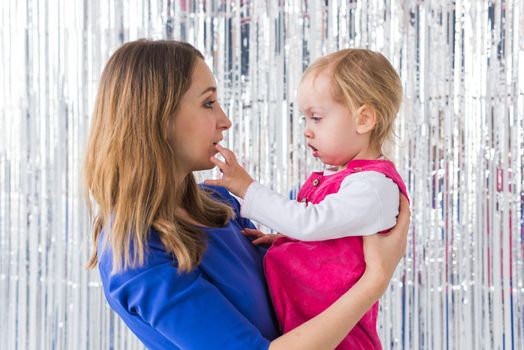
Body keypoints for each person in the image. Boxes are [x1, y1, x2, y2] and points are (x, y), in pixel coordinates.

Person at [83, 39, 410, 350]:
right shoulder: (137, 255)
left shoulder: (218, 205)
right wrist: (374, 282)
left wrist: (288, 247)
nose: (226, 121)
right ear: (157, 117)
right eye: (208, 103)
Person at [206, 48, 409, 349]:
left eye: (316, 118)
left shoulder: (374, 187)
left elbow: (310, 223)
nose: (307, 131)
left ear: (364, 119)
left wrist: (247, 187)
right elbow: (333, 241)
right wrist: (286, 242)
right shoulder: (349, 180)